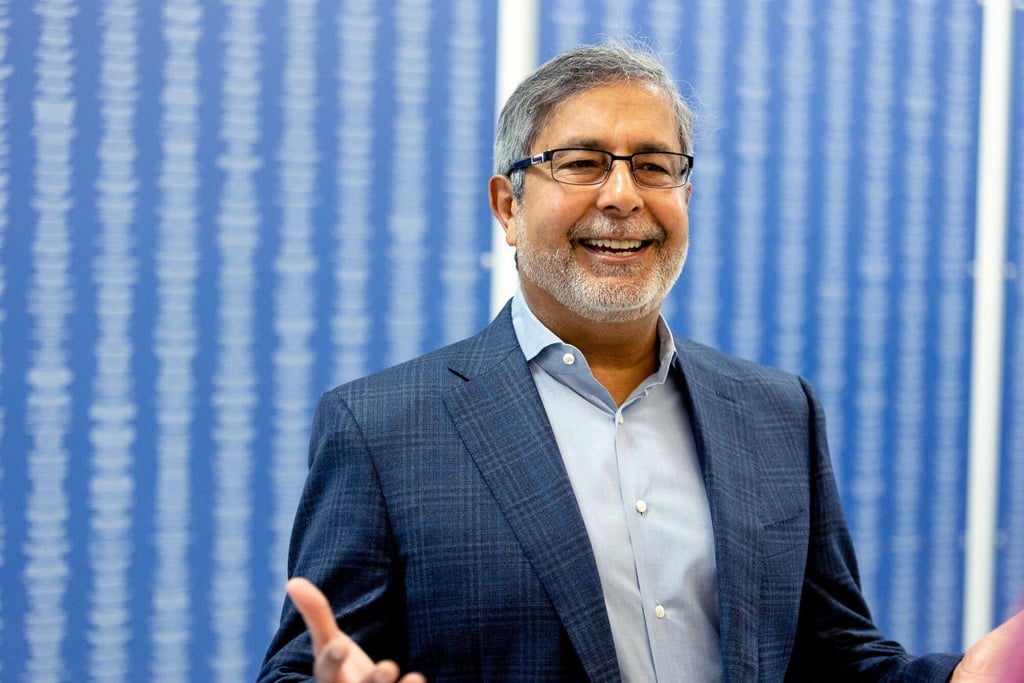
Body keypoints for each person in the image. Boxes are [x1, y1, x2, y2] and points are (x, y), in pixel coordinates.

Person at [259, 43, 1022, 682]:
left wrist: (964, 676)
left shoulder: (778, 411)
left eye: (655, 166)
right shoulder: (383, 427)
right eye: (583, 162)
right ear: (507, 206)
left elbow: (834, 656)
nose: (623, 196)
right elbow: (313, 663)